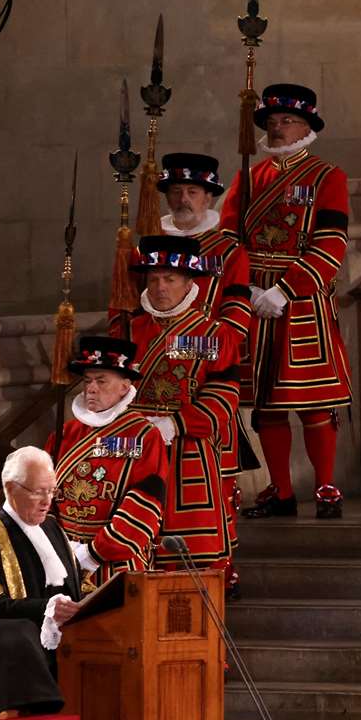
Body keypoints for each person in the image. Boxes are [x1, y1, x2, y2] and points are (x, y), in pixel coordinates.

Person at [220, 83, 352, 520]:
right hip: (255, 298)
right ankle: (280, 491)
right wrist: (246, 289)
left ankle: (327, 488)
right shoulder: (247, 177)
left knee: (314, 402)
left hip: (302, 301)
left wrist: (286, 289)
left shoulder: (326, 177)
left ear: (307, 126)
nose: (277, 130)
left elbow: (331, 244)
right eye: (271, 122)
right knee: (266, 404)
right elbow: (225, 238)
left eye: (287, 122)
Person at [156, 152, 255, 593]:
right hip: (158, 377)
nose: (183, 198)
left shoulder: (229, 248)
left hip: (210, 370)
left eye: (192, 191)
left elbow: (235, 319)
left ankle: (223, 563)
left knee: (221, 481)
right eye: (176, 191)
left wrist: (197, 343)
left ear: (209, 195)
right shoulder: (148, 242)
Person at [125, 235, 242, 575]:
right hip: (136, 446)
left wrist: (174, 424)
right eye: (154, 279)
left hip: (188, 449)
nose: (161, 287)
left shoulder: (214, 334)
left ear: (190, 282)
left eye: (170, 279)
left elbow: (223, 398)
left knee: (192, 549)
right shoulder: (129, 330)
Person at [48, 335, 172, 579]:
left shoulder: (144, 435)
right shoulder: (64, 434)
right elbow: (42, 493)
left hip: (117, 564)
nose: (91, 388)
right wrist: (56, 546)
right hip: (64, 560)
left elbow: (144, 504)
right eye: (87, 381)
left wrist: (93, 553)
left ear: (124, 387)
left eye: (101, 381)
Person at [0, 446, 85, 673]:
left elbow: (78, 584)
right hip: (16, 667)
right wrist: (48, 608)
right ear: (10, 488)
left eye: (51, 491)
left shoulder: (52, 527)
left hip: (72, 658)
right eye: (38, 492)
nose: (47, 501)